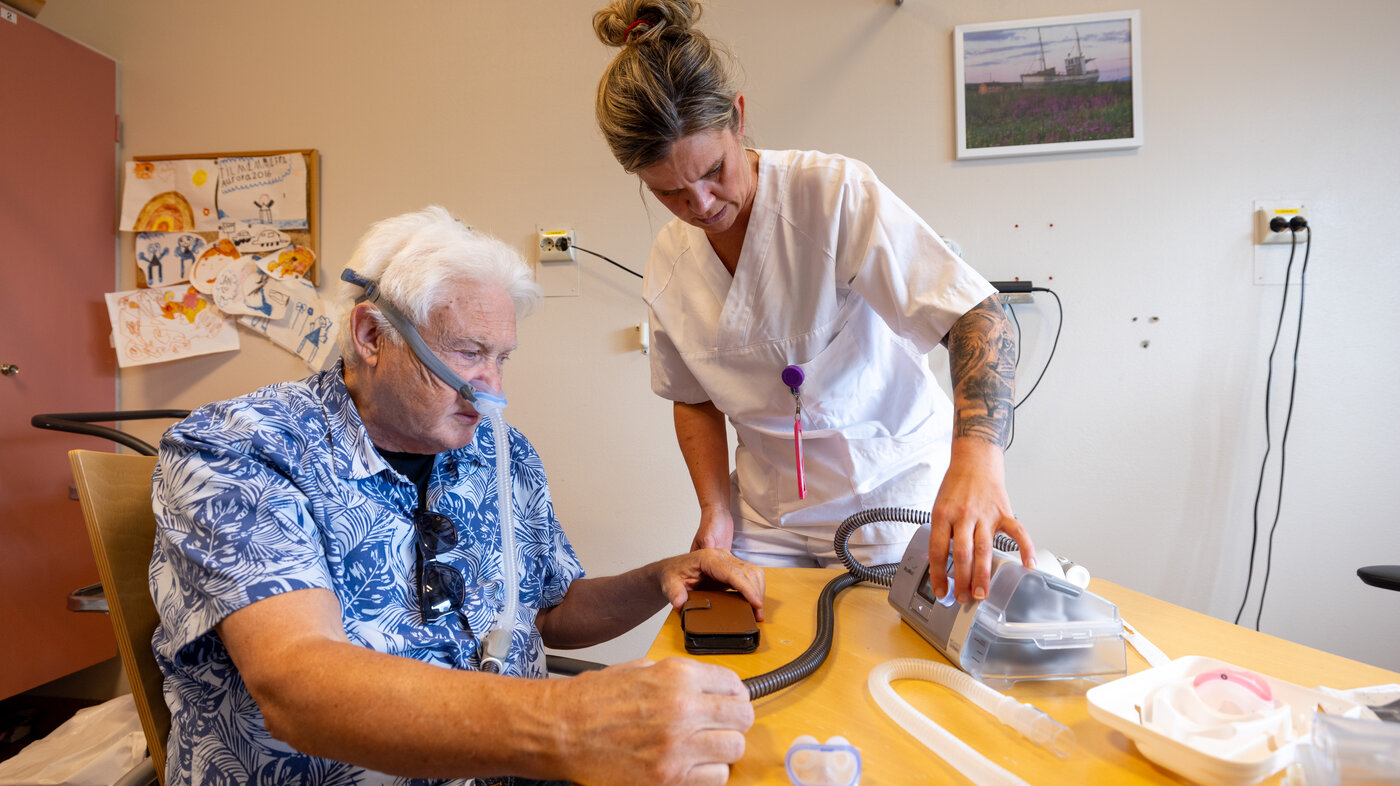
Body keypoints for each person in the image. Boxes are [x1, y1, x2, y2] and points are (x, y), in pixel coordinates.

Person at [149, 206, 764, 786]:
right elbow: (296, 686)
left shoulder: (501, 453)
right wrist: (572, 720)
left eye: (501, 358)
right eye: (469, 353)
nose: (490, 388)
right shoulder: (241, 449)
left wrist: (662, 577)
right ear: (370, 335)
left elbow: (548, 612)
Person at [592, 0, 1034, 604]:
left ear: (738, 118)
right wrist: (715, 514)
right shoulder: (670, 263)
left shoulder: (831, 197)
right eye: (669, 192)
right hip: (767, 514)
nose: (700, 203)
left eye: (714, 170)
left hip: (888, 492)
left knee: (884, 660)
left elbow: (979, 315)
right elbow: (692, 398)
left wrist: (978, 460)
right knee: (747, 659)